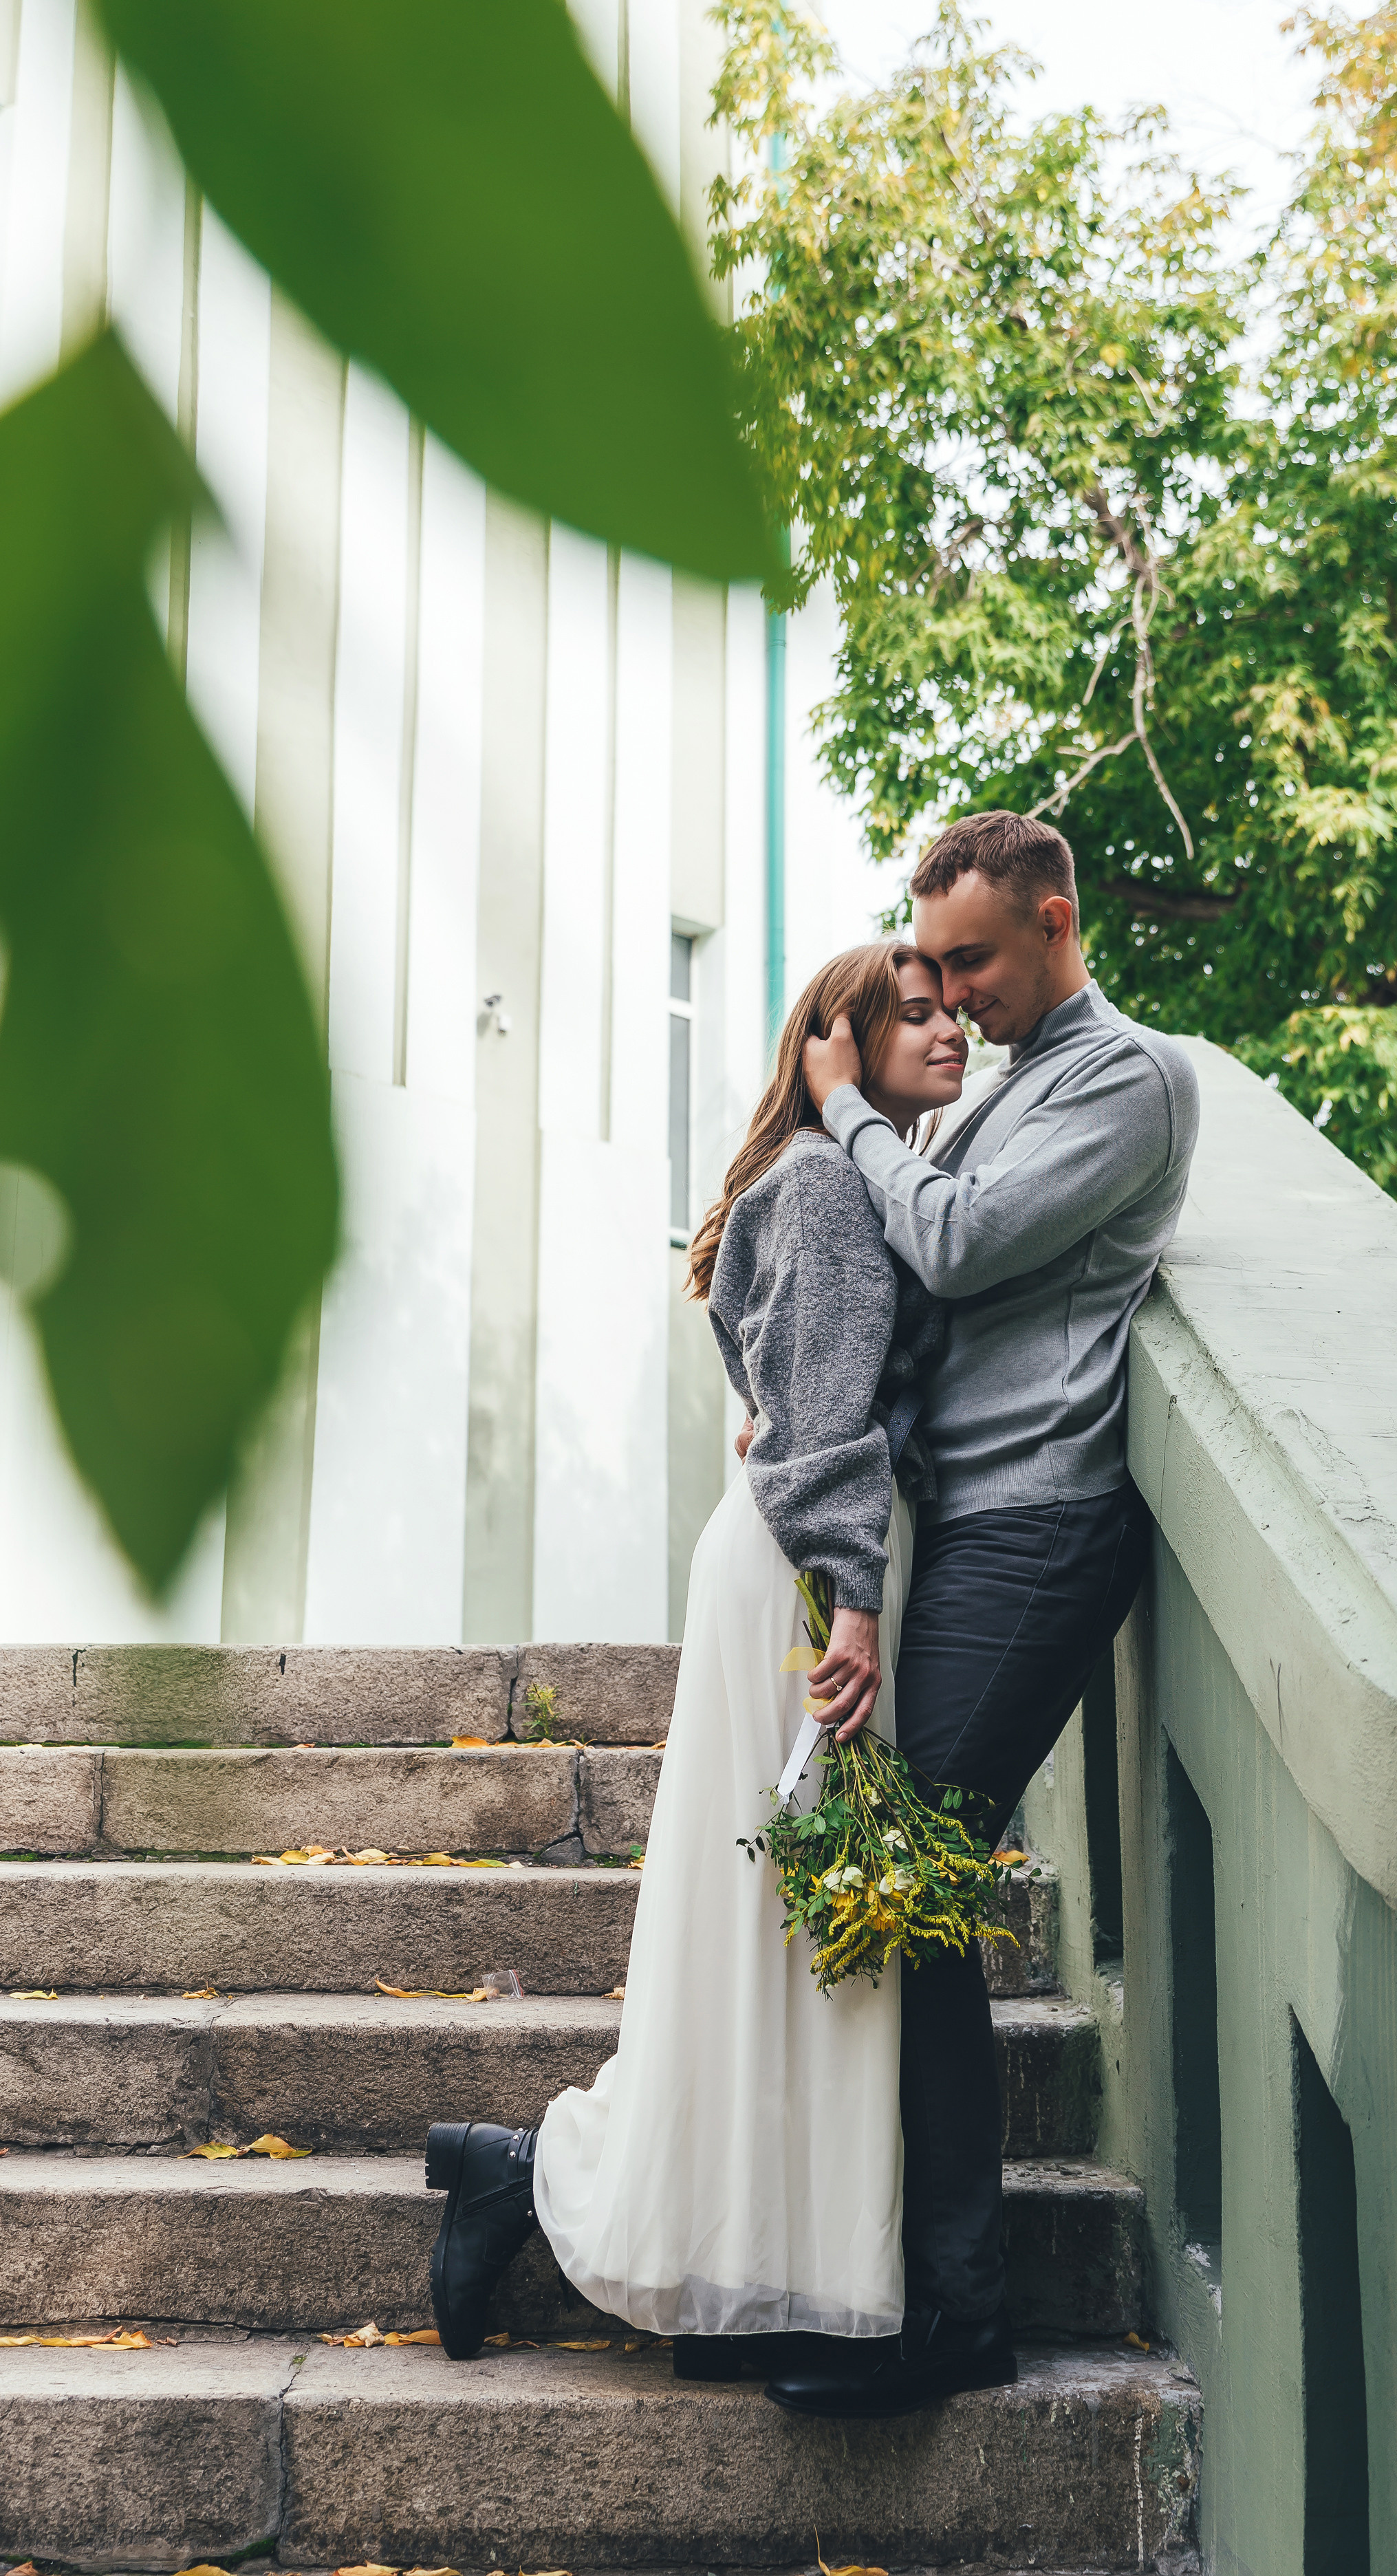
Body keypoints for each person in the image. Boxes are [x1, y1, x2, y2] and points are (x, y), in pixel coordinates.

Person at [422, 942, 968, 2379]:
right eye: (910, 1012)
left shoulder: (836, 1182)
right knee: (801, 1928)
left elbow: (797, 1396)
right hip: (809, 1580)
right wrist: (852, 1595)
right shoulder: (831, 1182)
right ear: (830, 1047)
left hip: (793, 1555)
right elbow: (826, 1419)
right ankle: (563, 2181)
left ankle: (739, 2249)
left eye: (950, 1008)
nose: (948, 1028)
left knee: (794, 1933)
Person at [757, 808, 1201, 2421]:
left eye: (972, 961)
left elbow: (940, 1248)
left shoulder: (1129, 1081)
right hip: (964, 1531)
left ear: (1056, 921)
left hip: (1045, 1533)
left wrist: (835, 1110)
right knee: (896, 1887)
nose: (949, 992)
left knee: (924, 1879)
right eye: (927, 966)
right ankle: (894, 2282)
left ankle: (954, 2317)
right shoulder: (1003, 1090)